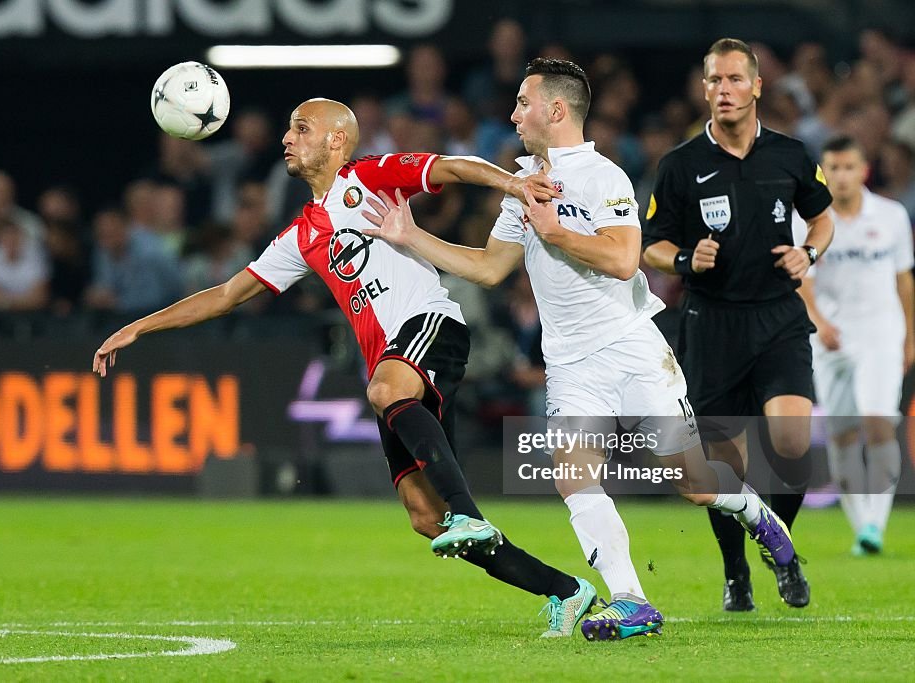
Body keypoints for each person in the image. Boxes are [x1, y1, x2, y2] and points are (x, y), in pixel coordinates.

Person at [93, 98, 598, 638]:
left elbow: (451, 166)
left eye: (301, 128)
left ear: (336, 141)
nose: (288, 138)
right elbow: (225, 294)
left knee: (384, 391)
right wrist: (141, 326)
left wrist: (513, 185)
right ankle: (566, 591)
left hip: (430, 325)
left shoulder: (370, 177)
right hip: (393, 362)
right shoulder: (302, 235)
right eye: (288, 128)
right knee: (425, 519)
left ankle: (467, 511)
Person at [362, 58, 794, 642]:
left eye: (522, 102)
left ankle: (752, 510)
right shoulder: (523, 185)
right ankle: (632, 601)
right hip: (568, 362)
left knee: (693, 483)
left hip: (632, 349)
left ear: (556, 110)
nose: (513, 114)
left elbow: (622, 260)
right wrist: (412, 237)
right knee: (572, 475)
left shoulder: (603, 177)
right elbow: (490, 269)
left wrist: (556, 231)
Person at [642, 38, 835, 611]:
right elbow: (650, 245)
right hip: (711, 324)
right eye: (713, 81)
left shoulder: (792, 155)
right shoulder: (680, 165)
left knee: (793, 445)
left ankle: (782, 547)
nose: (723, 90)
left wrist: (811, 254)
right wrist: (682, 260)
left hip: (778, 315)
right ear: (704, 90)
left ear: (756, 87)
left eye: (733, 79)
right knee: (724, 468)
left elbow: (822, 218)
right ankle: (736, 575)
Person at [798, 135, 913, 555]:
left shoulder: (891, 216)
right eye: (834, 168)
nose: (841, 176)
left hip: (882, 333)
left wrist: (910, 338)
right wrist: (820, 323)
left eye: (849, 167)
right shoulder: (810, 221)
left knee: (878, 421)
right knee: (843, 435)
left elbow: (904, 280)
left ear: (863, 171)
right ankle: (860, 524)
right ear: (824, 172)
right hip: (830, 339)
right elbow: (800, 281)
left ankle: (875, 527)